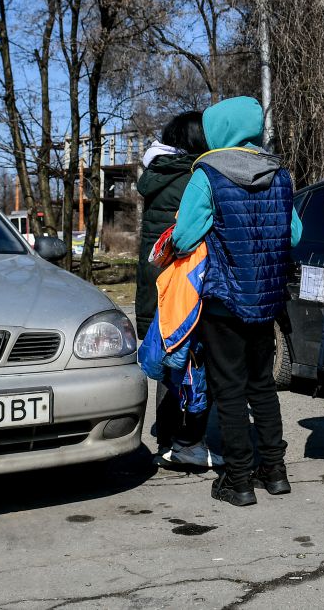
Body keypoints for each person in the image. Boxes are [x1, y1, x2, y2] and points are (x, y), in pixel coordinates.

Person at [172, 96, 302, 507]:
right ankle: (275, 472)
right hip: (265, 301)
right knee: (262, 386)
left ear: (217, 130)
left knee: (228, 390)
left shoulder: (207, 174)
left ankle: (239, 480)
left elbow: (183, 236)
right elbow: (294, 236)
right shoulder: (279, 175)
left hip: (224, 301)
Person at [135, 112, 222, 470]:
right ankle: (190, 440)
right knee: (194, 358)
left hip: (155, 281)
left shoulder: (156, 174)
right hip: (187, 282)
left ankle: (167, 441)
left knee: (166, 353)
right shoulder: (195, 177)